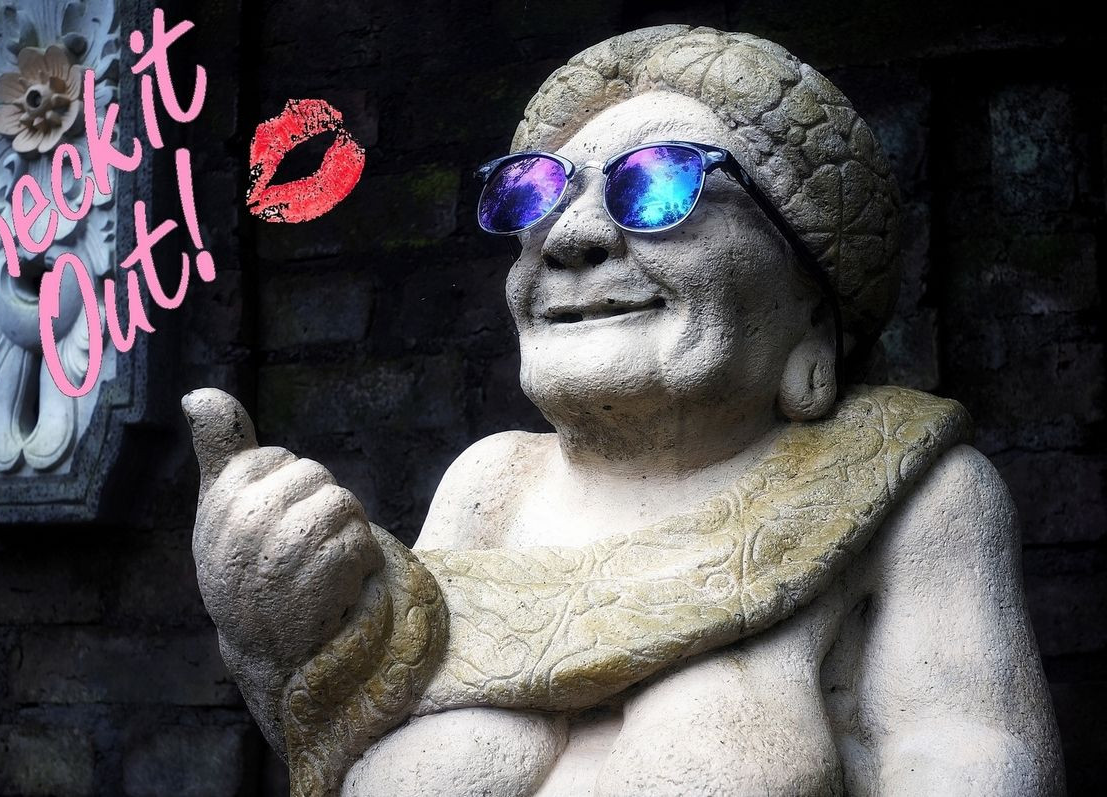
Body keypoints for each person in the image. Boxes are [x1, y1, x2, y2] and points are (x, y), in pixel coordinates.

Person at [184, 26, 1064, 796]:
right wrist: (276, 640)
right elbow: (344, 745)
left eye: (657, 185)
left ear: (812, 310)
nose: (570, 237)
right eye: (537, 192)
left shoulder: (916, 497)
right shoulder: (490, 486)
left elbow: (974, 761)